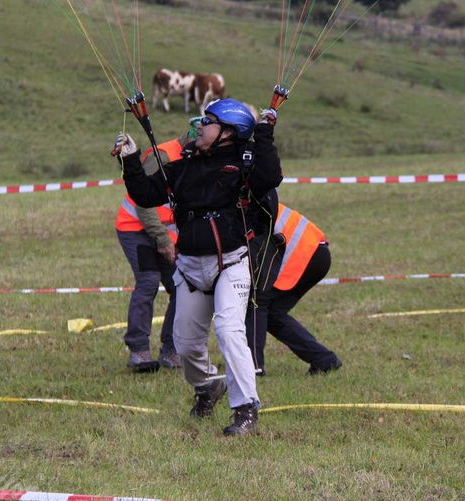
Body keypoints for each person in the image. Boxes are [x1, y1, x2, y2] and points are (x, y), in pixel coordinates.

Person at [112, 98, 282, 436]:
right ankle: (207, 386)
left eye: (208, 122)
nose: (199, 126)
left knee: (230, 330)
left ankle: (246, 409)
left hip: (230, 264)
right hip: (190, 267)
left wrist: (264, 134)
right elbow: (146, 195)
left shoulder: (245, 166)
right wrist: (131, 159)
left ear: (229, 133)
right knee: (185, 344)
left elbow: (271, 176)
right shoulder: (184, 165)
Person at [246, 202, 342, 376]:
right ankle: (324, 360)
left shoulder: (241, 206)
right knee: (272, 313)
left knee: (257, 302)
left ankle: (253, 368)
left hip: (302, 254)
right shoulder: (252, 195)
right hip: (316, 253)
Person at [115, 191, 179, 372]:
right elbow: (144, 203)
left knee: (180, 284)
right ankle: (138, 349)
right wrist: (163, 239)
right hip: (135, 228)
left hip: (167, 232)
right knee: (149, 280)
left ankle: (171, 348)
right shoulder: (163, 161)